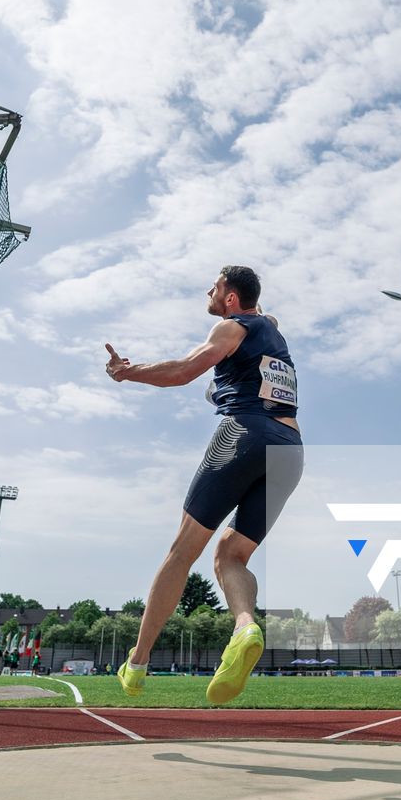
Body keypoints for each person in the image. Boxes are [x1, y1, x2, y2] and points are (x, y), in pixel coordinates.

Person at [105, 265, 303, 705]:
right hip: (290, 449)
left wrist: (127, 371)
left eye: (214, 288)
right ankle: (246, 626)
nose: (208, 293)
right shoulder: (271, 332)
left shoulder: (230, 327)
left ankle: (136, 664)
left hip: (244, 435)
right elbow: (267, 317)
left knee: (182, 551)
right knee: (231, 555)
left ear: (231, 298)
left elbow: (182, 371)